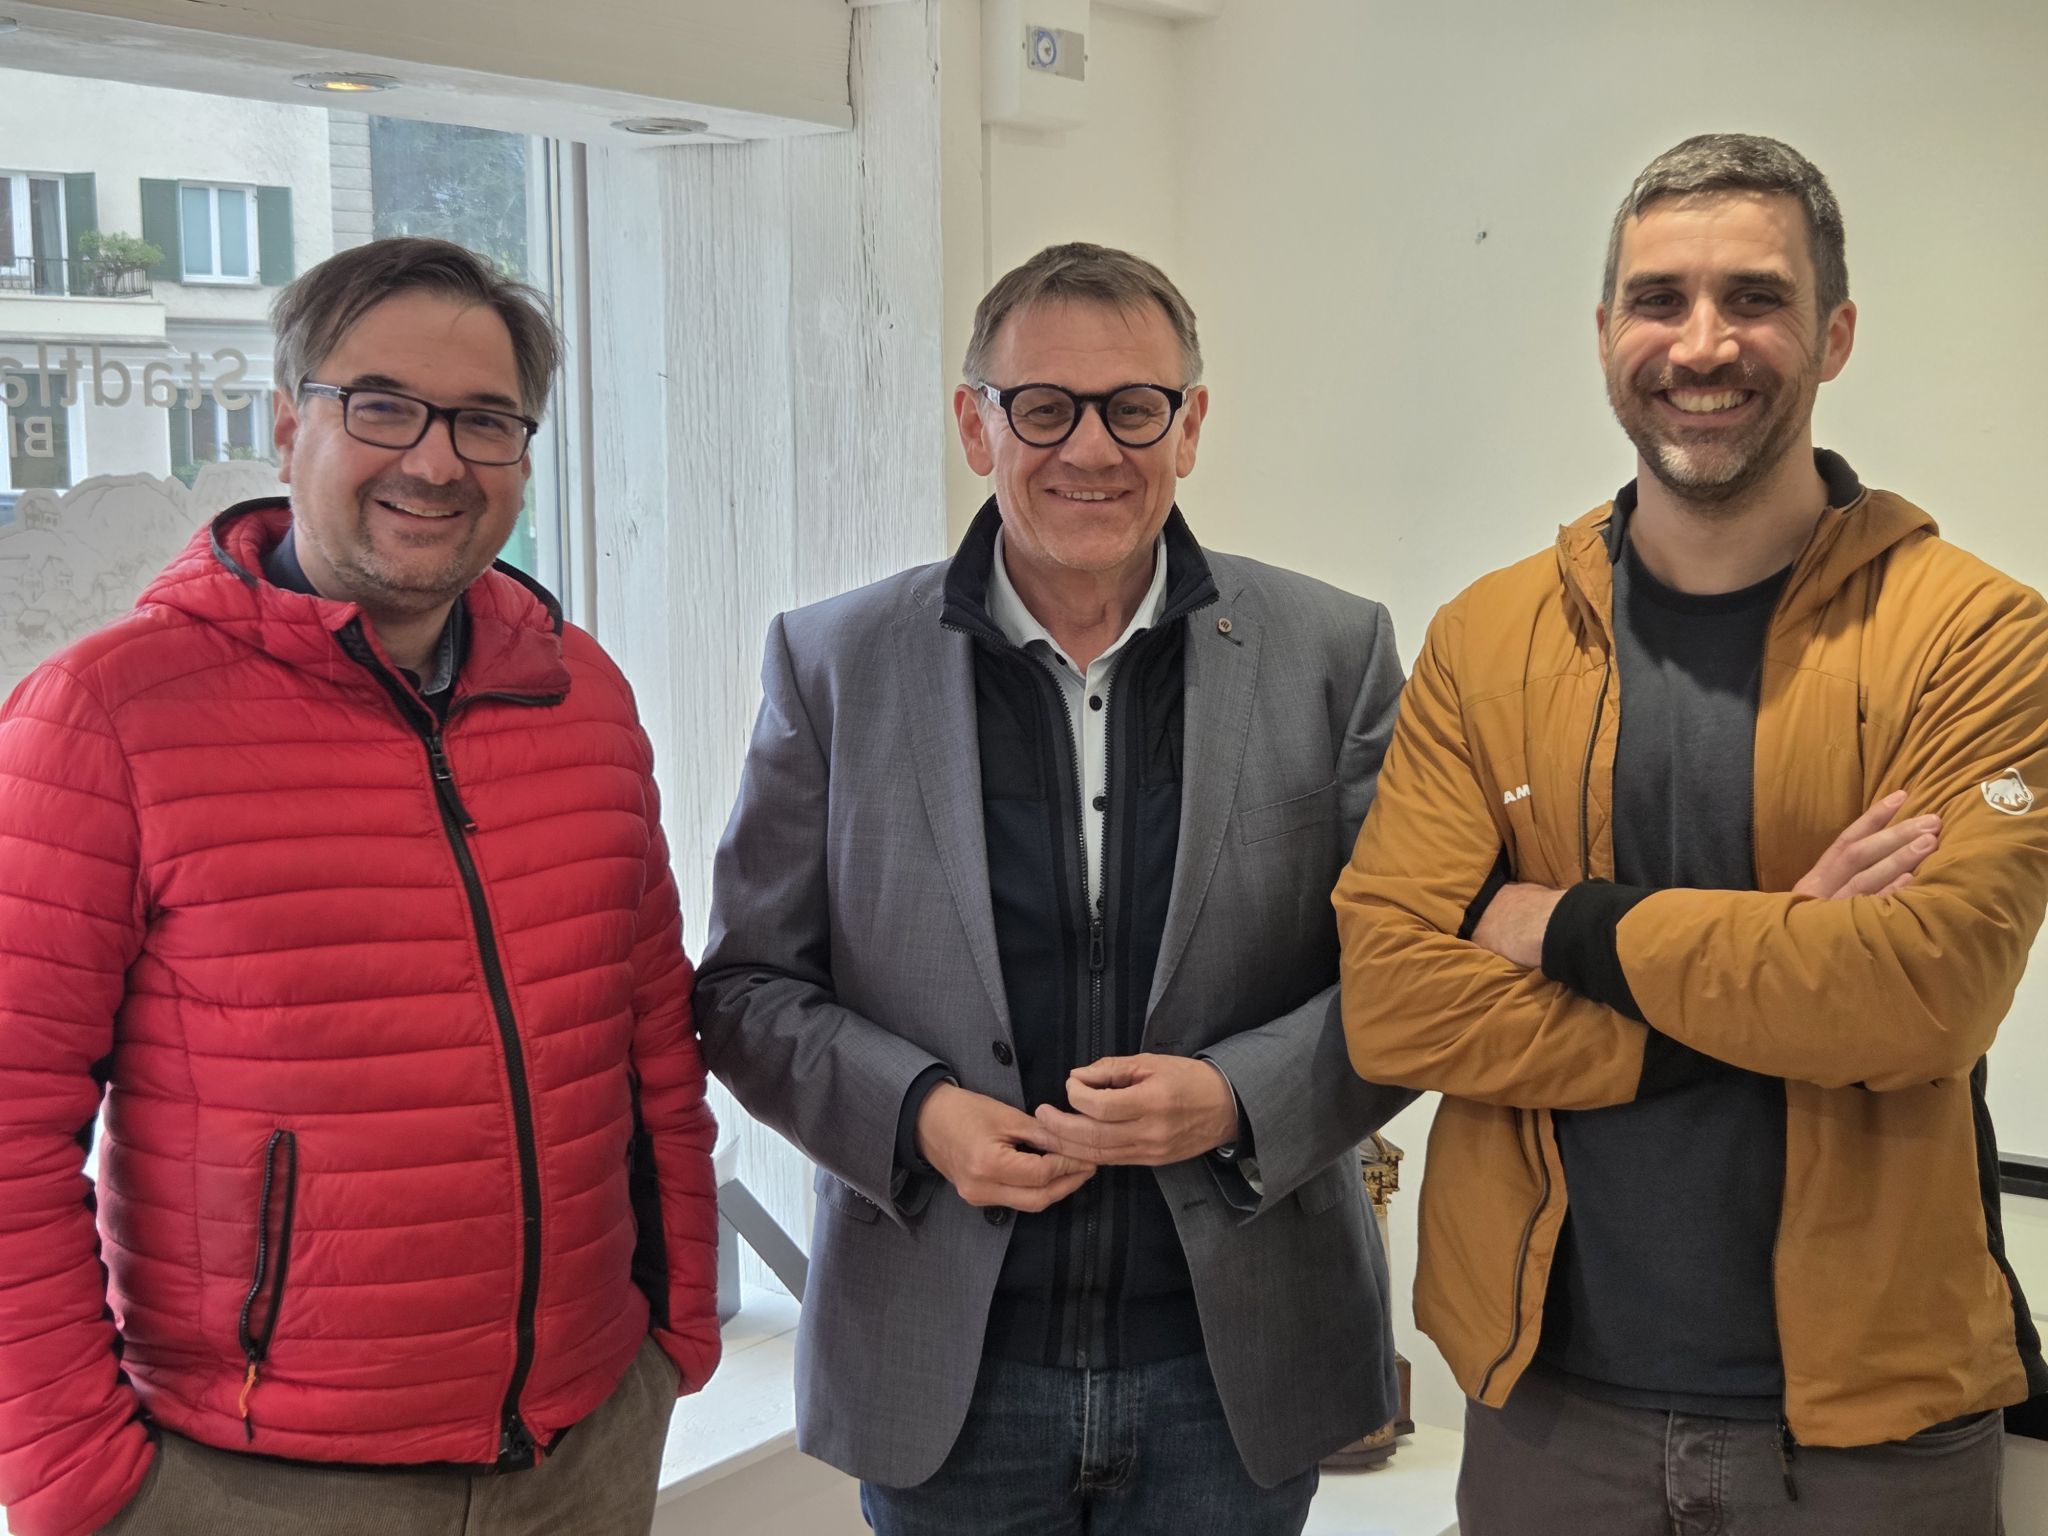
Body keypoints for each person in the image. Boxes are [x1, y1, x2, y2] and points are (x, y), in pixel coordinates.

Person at [1335, 133, 2048, 1534]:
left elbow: (1926, 995)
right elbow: (1395, 1000)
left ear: (1835, 335)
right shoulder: (1489, 637)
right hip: (1547, 1406)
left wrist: (1561, 925)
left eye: (1756, 298)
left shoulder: (1976, 635)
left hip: (1871, 1432)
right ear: (1606, 332)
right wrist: (1783, 971)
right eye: (1659, 299)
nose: (1703, 343)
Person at [0, 236, 720, 1536]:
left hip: (586, 1440)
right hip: (252, 1479)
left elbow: (651, 1039)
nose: (436, 462)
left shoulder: (580, 694)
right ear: (289, 426)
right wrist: (78, 1479)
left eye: (485, 421)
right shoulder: (105, 715)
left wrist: (675, 1332)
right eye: (381, 405)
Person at [697, 241, 1412, 1534]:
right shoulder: (833, 664)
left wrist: (1237, 1099)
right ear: (977, 425)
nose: (1092, 448)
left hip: (1234, 1371)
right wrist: (918, 1116)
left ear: (1190, 425)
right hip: (947, 1374)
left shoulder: (1333, 653)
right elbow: (747, 990)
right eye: (1043, 407)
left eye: (1133, 406)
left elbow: (1417, 977)